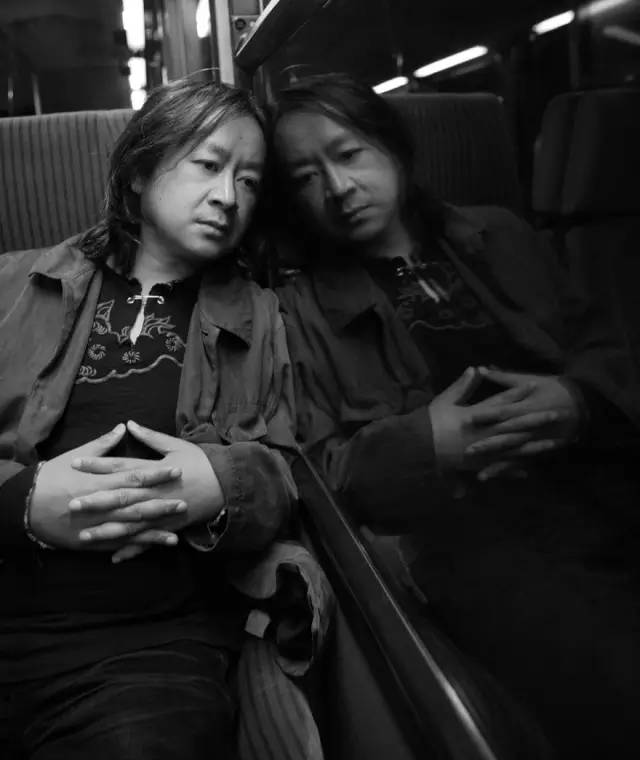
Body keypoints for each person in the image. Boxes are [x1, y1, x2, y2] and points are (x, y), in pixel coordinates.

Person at [270, 73, 640, 759]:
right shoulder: (299, 309)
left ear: (392, 149)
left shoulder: (501, 234)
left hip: (599, 479)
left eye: (348, 154)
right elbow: (316, 473)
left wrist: (579, 400)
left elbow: (608, 348)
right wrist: (426, 446)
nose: (339, 188)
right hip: (468, 538)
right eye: (306, 177)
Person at [0, 77, 297, 759]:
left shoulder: (263, 314)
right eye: (208, 165)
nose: (229, 197)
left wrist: (225, 484)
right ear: (139, 171)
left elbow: (292, 472)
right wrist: (20, 503)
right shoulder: (15, 284)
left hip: (148, 649)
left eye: (249, 181)